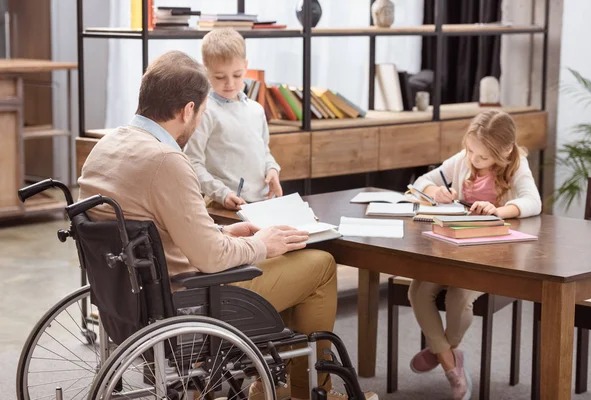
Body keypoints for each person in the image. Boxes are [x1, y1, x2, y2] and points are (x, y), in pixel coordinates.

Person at [77, 50, 376, 400]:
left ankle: (269, 384)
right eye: (202, 112)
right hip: (189, 301)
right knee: (319, 265)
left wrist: (226, 231)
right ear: (188, 110)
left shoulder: (106, 146)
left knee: (286, 260)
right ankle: (303, 391)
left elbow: (158, 232)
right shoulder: (166, 161)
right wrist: (263, 244)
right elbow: (212, 259)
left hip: (130, 295)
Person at [407, 110, 542, 399]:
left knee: (458, 298)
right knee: (418, 291)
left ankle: (441, 353)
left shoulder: (517, 166)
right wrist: (436, 190)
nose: (473, 160)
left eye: (482, 157)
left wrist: (498, 210)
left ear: (504, 152)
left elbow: (533, 201)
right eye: (470, 151)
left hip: (491, 257)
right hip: (451, 250)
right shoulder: (463, 160)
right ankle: (450, 360)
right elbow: (420, 183)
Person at [185, 28, 282, 210]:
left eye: (237, 75)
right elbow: (192, 162)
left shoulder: (256, 110)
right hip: (223, 205)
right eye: (220, 77)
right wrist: (222, 194)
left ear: (246, 66)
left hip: (261, 204)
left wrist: (272, 169)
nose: (230, 83)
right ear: (205, 71)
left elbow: (264, 152)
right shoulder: (205, 112)